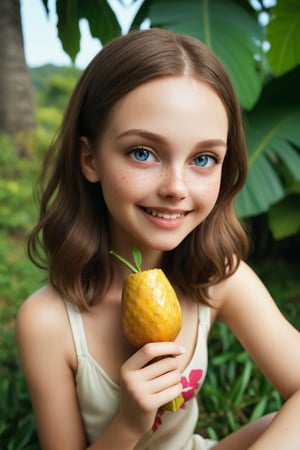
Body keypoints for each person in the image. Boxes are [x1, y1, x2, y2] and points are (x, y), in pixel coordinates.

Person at [16, 28, 300, 450]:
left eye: (203, 159)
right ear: (89, 158)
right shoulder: (47, 322)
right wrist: (130, 421)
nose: (176, 188)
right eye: (143, 153)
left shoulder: (218, 278)